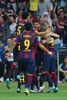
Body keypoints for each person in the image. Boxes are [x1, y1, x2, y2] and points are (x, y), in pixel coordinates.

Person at [6, 22, 53, 95]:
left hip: (21, 56)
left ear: (24, 28)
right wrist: (48, 52)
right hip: (30, 56)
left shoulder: (20, 36)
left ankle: (21, 76)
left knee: (22, 70)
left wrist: (9, 52)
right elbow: (40, 46)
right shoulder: (34, 36)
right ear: (31, 28)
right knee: (30, 73)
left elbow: (14, 43)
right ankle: (27, 88)